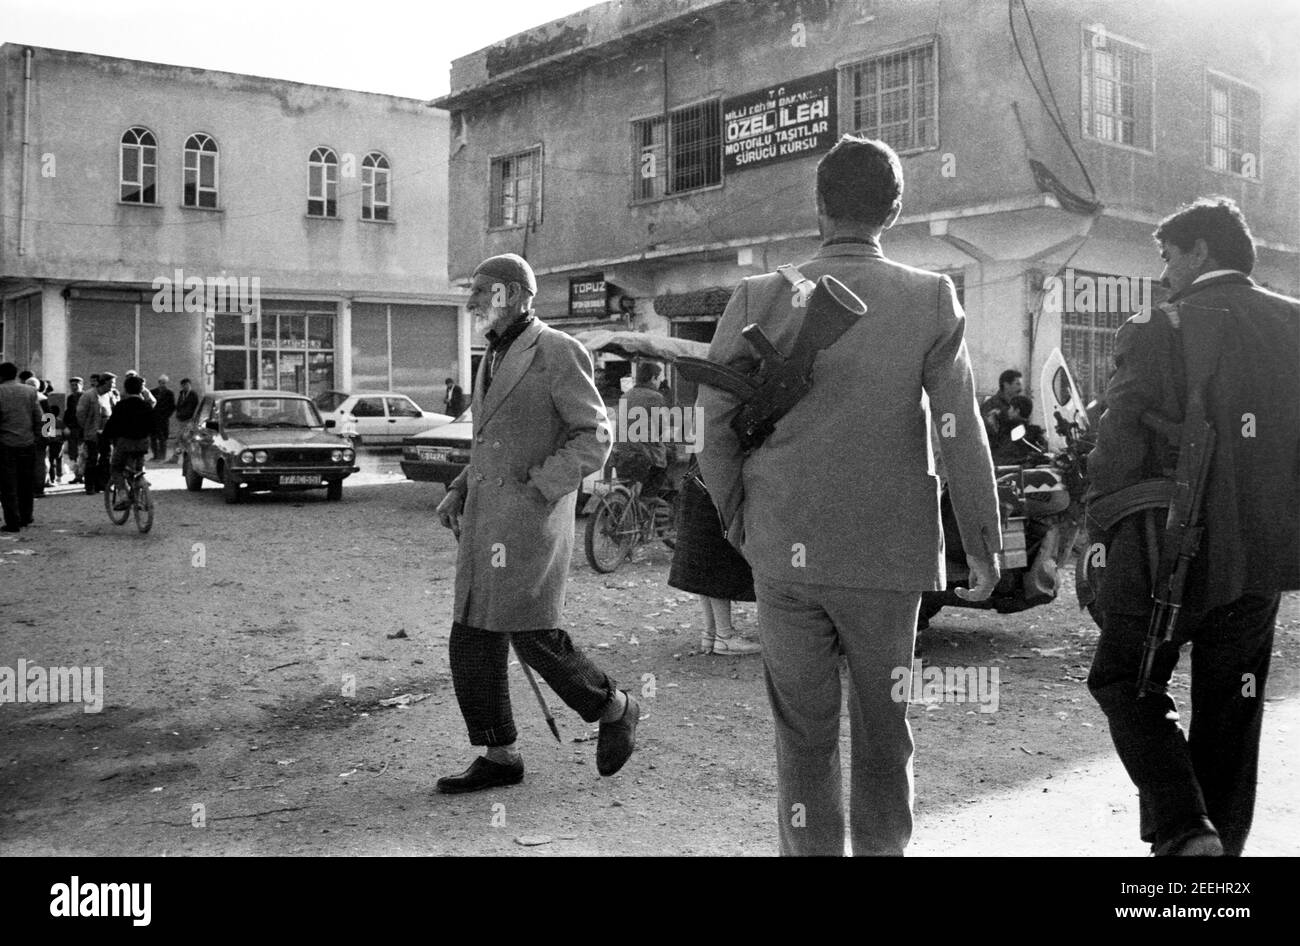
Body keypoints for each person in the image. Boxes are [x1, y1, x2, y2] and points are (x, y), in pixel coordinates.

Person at [698, 135, 1002, 856]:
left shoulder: (760, 296)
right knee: (884, 733)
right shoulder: (931, 298)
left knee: (800, 736)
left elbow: (711, 428)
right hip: (888, 560)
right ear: (894, 209)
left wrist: (743, 523)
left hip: (785, 552)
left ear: (819, 203)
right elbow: (960, 430)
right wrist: (986, 545)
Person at [1085, 197, 1300, 857]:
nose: (1164, 273)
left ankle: (1182, 828)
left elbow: (1117, 441)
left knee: (1124, 678)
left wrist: (1094, 526)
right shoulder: (1294, 323)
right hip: (1263, 560)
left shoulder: (1155, 324)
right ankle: (1211, 865)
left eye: (1168, 256)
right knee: (1233, 713)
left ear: (1199, 250)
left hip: (1169, 545)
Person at [433, 253, 639, 793]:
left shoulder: (556, 350)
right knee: (472, 637)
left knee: (534, 636)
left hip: (529, 519)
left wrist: (540, 488)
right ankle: (501, 755)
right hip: (485, 518)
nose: (474, 299)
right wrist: (458, 488)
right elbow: (488, 442)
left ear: (515, 293)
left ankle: (616, 707)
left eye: (483, 289)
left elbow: (594, 436)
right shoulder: (491, 354)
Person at [668, 455, 762, 655]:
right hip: (714, 490)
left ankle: (711, 633)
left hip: (697, 485)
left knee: (705, 563)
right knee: (719, 562)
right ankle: (724, 637)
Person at [612, 361, 669, 499]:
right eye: (659, 378)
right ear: (653, 378)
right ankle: (647, 503)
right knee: (666, 461)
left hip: (620, 453)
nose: (659, 382)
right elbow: (661, 428)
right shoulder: (655, 397)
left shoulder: (626, 395)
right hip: (644, 455)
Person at [0, 362, 44, 532]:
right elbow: (41, 417)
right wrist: (41, 437)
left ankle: (13, 521)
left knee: (8, 485)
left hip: (5, 444)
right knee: (26, 483)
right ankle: (26, 516)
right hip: (27, 443)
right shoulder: (30, 392)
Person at [102, 375, 153, 509]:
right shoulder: (146, 406)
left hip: (125, 444)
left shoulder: (121, 405)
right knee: (138, 470)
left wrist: (105, 436)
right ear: (141, 390)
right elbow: (154, 424)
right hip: (142, 444)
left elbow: (112, 425)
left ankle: (123, 495)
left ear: (126, 389)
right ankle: (140, 494)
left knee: (116, 468)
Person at [77, 372, 116, 494]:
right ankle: (90, 486)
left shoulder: (110, 395)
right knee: (92, 458)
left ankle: (103, 484)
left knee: (106, 458)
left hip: (107, 433)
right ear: (103, 383)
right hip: (92, 432)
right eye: (111, 383)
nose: (113, 386)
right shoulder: (88, 395)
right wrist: (87, 428)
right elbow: (80, 414)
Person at [981, 368, 1022, 442]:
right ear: (1006, 385)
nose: (1020, 388)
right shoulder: (991, 405)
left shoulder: (1015, 405)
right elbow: (988, 432)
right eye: (1017, 384)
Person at [171, 378, 199, 462]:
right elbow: (179, 405)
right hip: (181, 419)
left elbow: (194, 407)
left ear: (189, 385)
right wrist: (178, 413)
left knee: (184, 439)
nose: (185, 387)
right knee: (180, 439)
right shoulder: (182, 394)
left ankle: (182, 457)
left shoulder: (193, 395)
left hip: (189, 420)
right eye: (183, 386)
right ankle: (176, 457)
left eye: (186, 385)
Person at [150, 375, 176, 461]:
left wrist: (166, 415)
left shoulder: (169, 393)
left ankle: (162, 455)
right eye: (161, 382)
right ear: (159, 382)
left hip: (164, 418)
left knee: (163, 438)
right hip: (153, 418)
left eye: (164, 383)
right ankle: (155, 455)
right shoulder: (153, 392)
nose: (163, 384)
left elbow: (172, 406)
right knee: (153, 438)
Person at [65, 377, 85, 484]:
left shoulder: (85, 397)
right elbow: (68, 413)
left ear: (81, 385)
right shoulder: (70, 398)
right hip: (73, 428)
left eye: (76, 385)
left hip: (83, 429)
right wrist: (67, 426)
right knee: (73, 453)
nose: (74, 388)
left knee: (83, 453)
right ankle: (77, 475)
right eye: (72, 385)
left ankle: (83, 474)